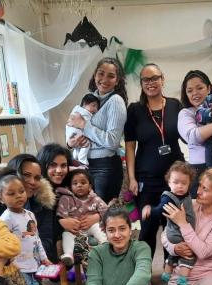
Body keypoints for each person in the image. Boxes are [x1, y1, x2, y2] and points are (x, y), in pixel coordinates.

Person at [124, 63, 184, 257]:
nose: (151, 83)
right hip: (146, 179)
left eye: (154, 78)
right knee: (147, 227)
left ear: (162, 79)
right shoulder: (135, 110)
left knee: (173, 226)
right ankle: (144, 273)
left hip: (174, 179)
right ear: (141, 83)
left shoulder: (175, 105)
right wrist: (131, 178)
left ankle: (171, 270)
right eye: (146, 80)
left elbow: (189, 135)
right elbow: (130, 145)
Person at [67, 57, 128, 203]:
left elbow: (112, 142)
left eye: (111, 76)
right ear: (95, 75)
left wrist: (84, 126)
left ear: (117, 80)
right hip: (84, 165)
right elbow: (72, 124)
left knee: (100, 215)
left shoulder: (115, 101)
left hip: (104, 168)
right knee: (84, 211)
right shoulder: (88, 99)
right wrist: (70, 143)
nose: (104, 79)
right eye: (101, 73)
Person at [0, 153, 57, 262]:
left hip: (33, 263)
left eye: (37, 178)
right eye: (26, 175)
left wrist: (29, 251)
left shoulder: (44, 203)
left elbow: (47, 240)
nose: (32, 182)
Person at [142, 161, 196, 285]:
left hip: (179, 231)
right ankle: (182, 279)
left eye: (184, 183)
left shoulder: (185, 196)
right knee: (189, 255)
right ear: (169, 182)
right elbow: (160, 210)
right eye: (176, 182)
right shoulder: (169, 197)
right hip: (177, 233)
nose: (180, 186)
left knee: (175, 254)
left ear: (189, 184)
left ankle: (167, 273)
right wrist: (150, 210)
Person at [56, 168, 109, 267]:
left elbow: (106, 210)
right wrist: (66, 221)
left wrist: (98, 216)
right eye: (75, 183)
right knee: (66, 235)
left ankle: (105, 245)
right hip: (74, 229)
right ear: (70, 187)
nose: (79, 185)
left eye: (83, 182)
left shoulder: (95, 199)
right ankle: (68, 255)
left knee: (98, 228)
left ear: (90, 186)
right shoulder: (66, 199)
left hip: (91, 226)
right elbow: (61, 213)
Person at [66, 93, 100, 166]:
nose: (95, 109)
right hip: (76, 130)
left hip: (70, 132)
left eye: (97, 107)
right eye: (93, 105)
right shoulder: (85, 113)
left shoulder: (75, 109)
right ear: (84, 104)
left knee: (78, 145)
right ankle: (82, 158)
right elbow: (87, 125)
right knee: (87, 144)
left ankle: (75, 156)